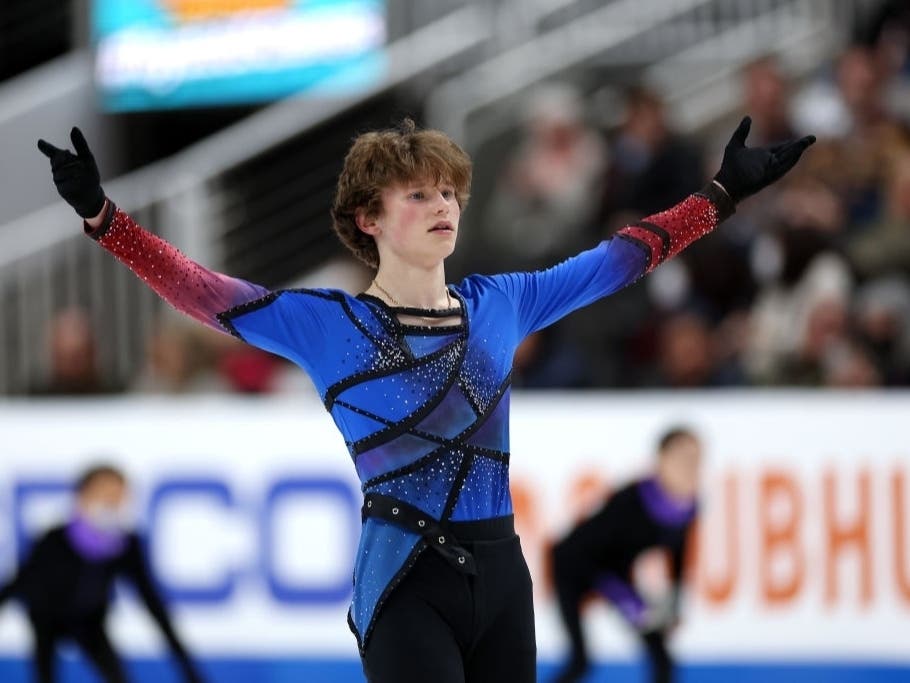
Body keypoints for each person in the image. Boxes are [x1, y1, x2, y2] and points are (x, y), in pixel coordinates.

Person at [36, 115, 813, 683]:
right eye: (418, 194)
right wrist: (105, 220)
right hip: (405, 576)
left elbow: (618, 260)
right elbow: (201, 291)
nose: (444, 203)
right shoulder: (326, 323)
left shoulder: (501, 302)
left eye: (450, 190)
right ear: (368, 219)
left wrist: (721, 194)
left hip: (503, 575)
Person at [0, 465, 203, 683]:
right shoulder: (54, 540)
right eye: (104, 496)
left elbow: (151, 601)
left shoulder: (125, 544)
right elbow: (19, 582)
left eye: (118, 498)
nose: (111, 504)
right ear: (82, 497)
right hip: (46, 618)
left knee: (118, 677)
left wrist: (189, 670)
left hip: (91, 622)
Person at [550, 427, 702, 683]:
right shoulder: (630, 501)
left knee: (662, 659)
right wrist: (630, 602)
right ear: (661, 460)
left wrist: (674, 601)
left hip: (615, 571)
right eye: (683, 459)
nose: (691, 468)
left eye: (696, 460)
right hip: (573, 565)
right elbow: (587, 554)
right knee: (580, 661)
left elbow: (677, 553)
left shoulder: (687, 507)